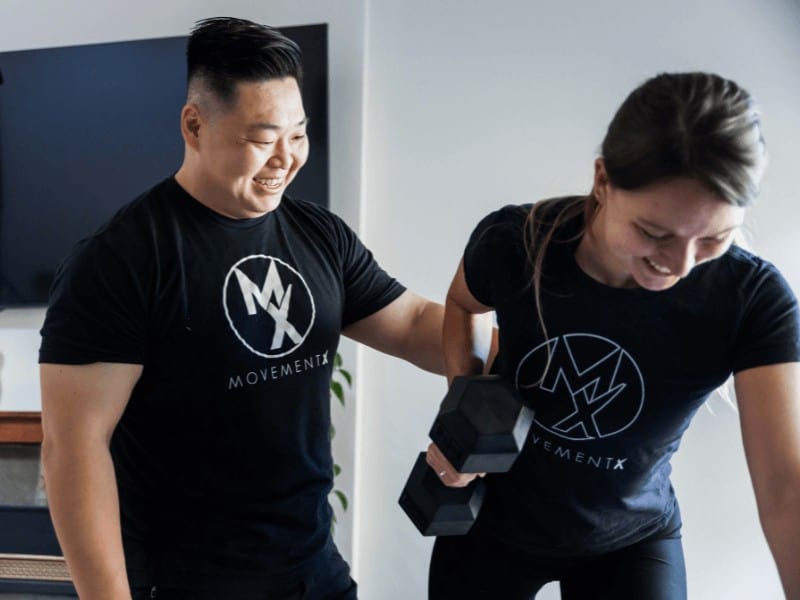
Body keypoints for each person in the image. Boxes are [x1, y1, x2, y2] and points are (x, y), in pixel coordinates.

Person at [39, 17, 444, 600]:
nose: (287, 158)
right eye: (262, 138)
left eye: (299, 134)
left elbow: (413, 325)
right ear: (194, 124)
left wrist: (532, 352)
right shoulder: (121, 258)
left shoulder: (318, 235)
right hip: (187, 581)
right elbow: (74, 448)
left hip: (312, 569)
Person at [425, 72, 800, 599]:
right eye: (653, 233)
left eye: (715, 238)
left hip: (631, 540)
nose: (680, 264)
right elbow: (465, 304)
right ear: (602, 180)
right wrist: (463, 414)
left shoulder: (754, 300)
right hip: (493, 522)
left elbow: (787, 490)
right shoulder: (516, 241)